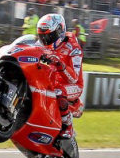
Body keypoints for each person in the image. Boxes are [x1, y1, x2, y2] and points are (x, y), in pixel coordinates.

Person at [36, 13, 84, 141]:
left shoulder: (74, 48)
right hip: (53, 81)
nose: (45, 40)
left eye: (49, 36)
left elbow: (73, 78)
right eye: (42, 37)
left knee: (58, 91)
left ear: (59, 32)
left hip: (74, 86)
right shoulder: (42, 44)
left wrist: (59, 63)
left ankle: (68, 127)